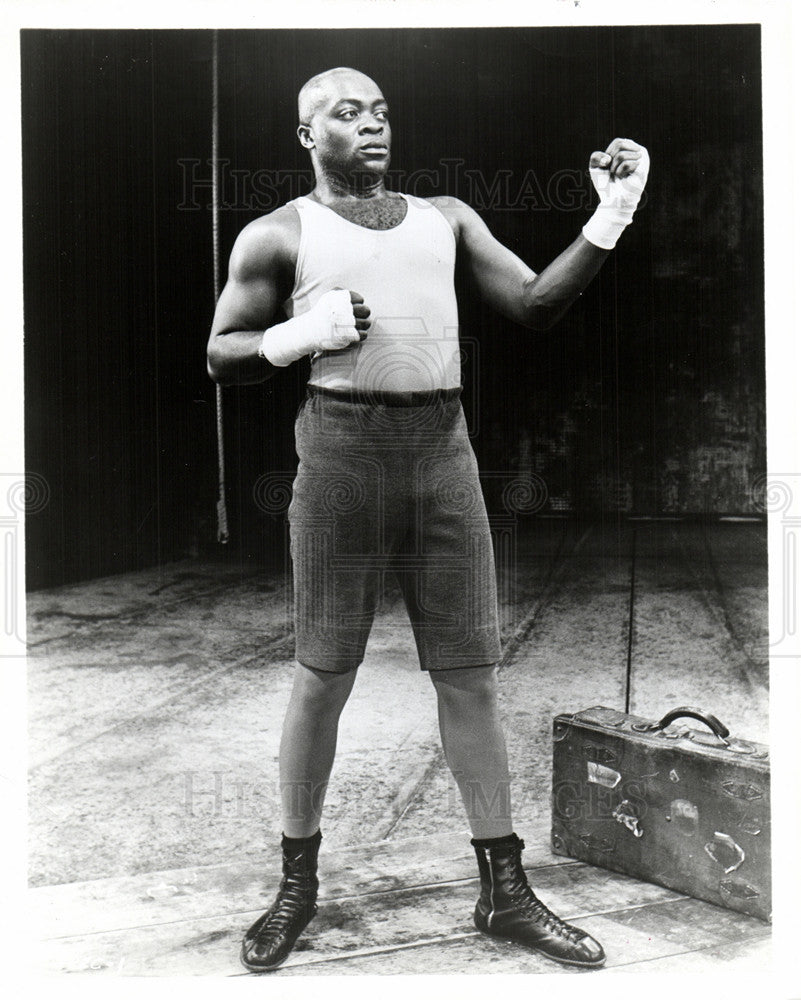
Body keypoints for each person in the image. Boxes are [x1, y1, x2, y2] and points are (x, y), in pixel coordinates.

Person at [207, 66, 649, 973]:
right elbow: (221, 355)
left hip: (442, 453)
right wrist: (297, 336)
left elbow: (533, 305)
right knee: (323, 674)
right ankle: (297, 883)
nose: (371, 124)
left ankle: (505, 891)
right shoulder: (277, 232)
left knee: (470, 676)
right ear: (306, 136)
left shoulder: (446, 216)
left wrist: (610, 215)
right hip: (340, 455)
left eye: (379, 111)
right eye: (345, 112)